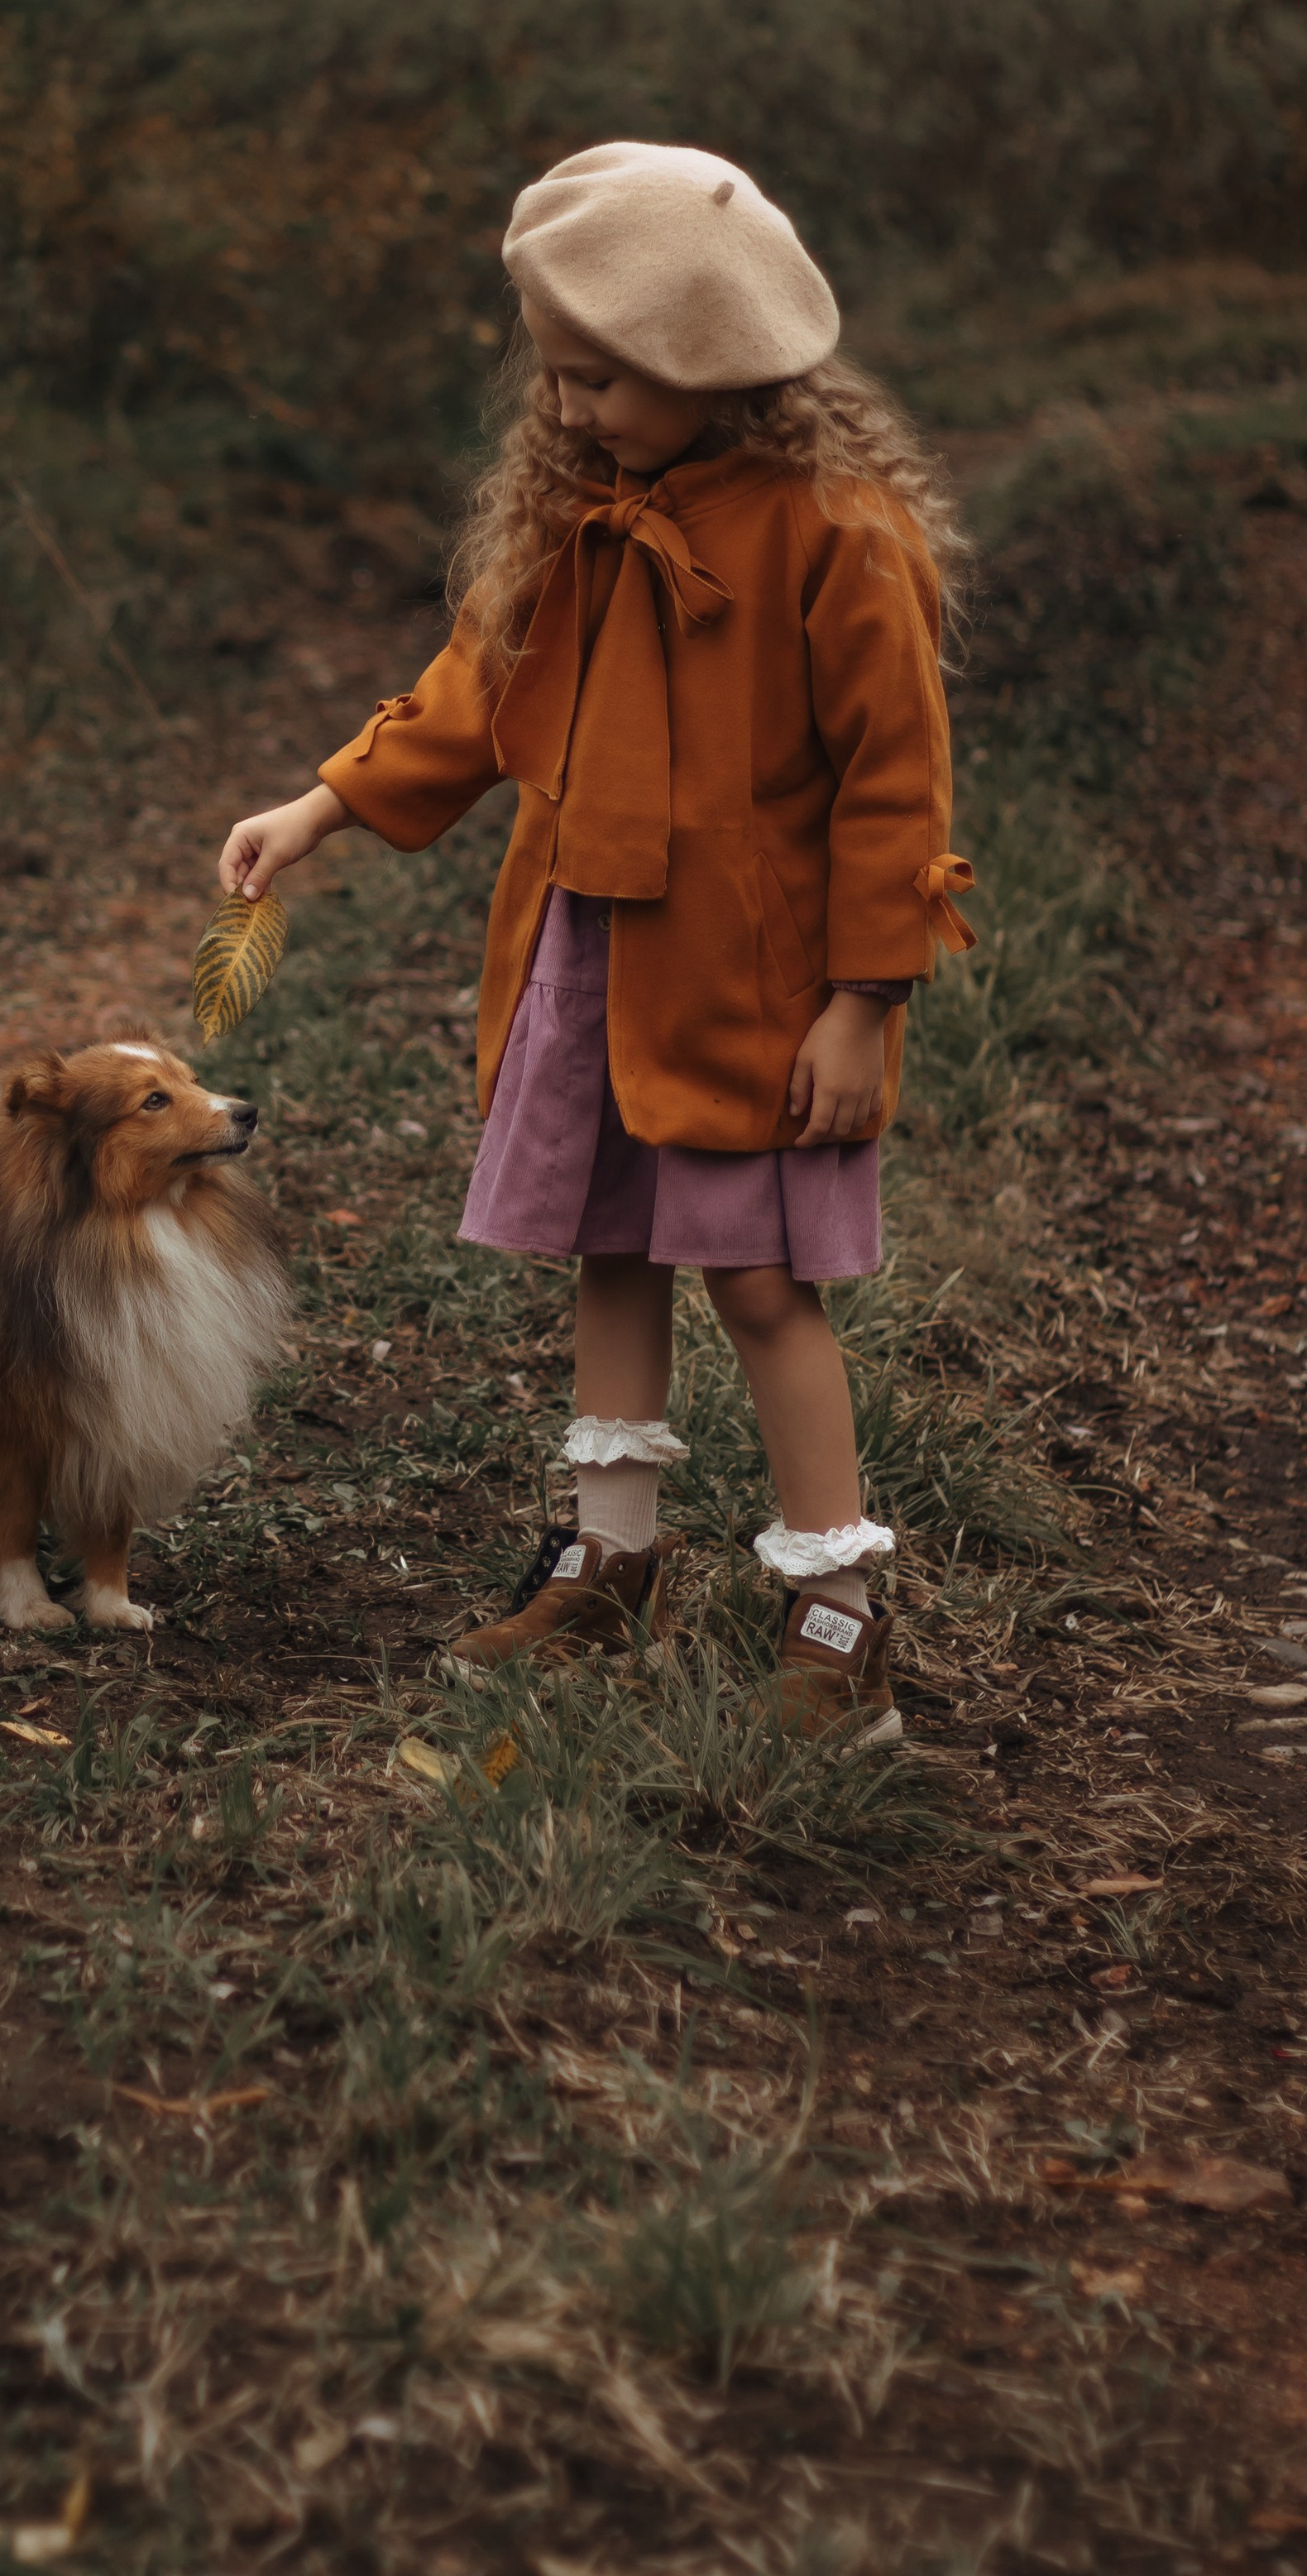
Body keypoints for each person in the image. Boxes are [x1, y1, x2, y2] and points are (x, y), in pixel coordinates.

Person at [217, 141, 975, 1745]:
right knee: (610, 1247)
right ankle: (605, 1562)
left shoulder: (836, 535)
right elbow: (472, 690)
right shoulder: (582, 510)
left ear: (714, 368)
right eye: (553, 378)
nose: (565, 413)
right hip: (587, 949)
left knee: (758, 1284)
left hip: (751, 985)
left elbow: (892, 793)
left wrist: (859, 1005)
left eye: (602, 382)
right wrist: (321, 807)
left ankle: (836, 1609)